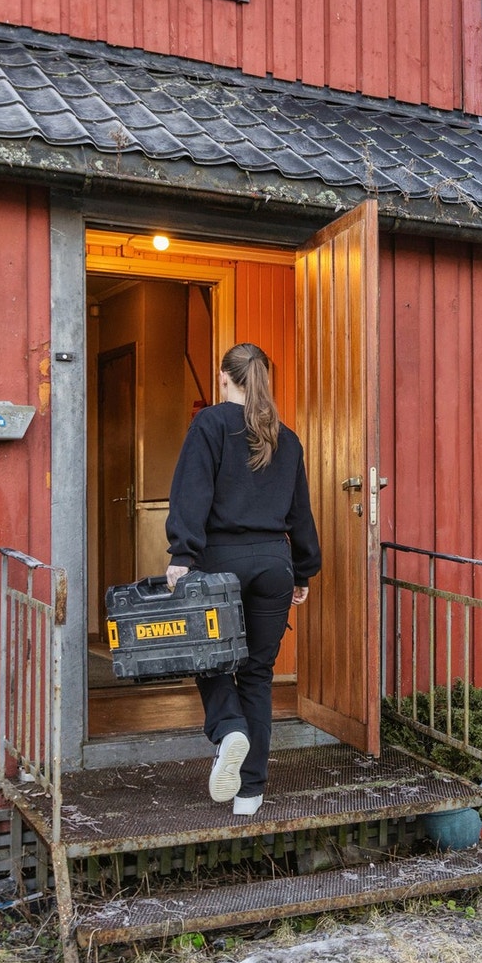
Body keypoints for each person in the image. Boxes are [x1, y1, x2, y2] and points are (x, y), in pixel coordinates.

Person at [164, 343, 320, 818]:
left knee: (210, 659)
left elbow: (191, 492)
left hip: (219, 564)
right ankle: (249, 793)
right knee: (257, 673)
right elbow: (300, 513)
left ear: (224, 377)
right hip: (275, 564)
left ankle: (229, 728)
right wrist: (305, 569)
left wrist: (182, 555)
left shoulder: (209, 424)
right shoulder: (286, 438)